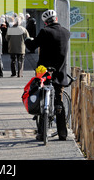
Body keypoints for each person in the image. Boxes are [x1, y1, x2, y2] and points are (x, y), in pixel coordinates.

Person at [25, 9, 71, 141]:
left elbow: (33, 45)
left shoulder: (45, 32)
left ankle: (41, 132)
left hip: (44, 72)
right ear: (56, 19)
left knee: (42, 99)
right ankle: (62, 133)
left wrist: (27, 40)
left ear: (45, 23)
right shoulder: (66, 33)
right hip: (60, 73)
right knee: (59, 101)